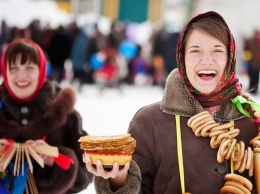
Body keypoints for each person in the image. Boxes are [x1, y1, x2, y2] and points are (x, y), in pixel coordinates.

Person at [84, 11, 260, 193]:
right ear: (182, 58)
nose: (206, 60)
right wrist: (118, 179)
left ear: (230, 59)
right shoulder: (148, 123)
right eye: (195, 51)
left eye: (217, 50)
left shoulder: (253, 122)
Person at [0, 38, 93, 193]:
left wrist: (57, 159)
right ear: (5, 72)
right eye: (14, 68)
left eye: (29, 68)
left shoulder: (65, 113)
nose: (22, 76)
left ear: (42, 69)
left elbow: (87, 173)